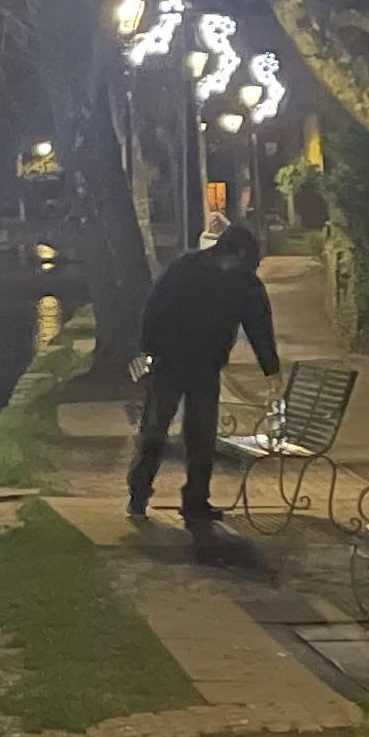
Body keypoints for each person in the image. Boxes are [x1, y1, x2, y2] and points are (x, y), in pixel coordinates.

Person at [125, 223, 280, 528]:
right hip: (171, 363)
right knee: (155, 431)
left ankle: (195, 501)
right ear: (229, 252)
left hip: (204, 366)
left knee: (200, 437)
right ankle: (139, 494)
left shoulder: (234, 278)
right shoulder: (188, 269)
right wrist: (148, 349)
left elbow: (258, 324)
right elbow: (156, 308)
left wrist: (270, 368)